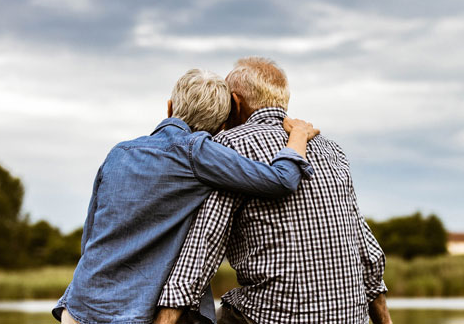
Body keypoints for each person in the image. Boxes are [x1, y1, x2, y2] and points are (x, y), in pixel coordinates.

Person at [52, 68, 321, 324]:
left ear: (170, 108)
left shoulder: (119, 152)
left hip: (78, 305)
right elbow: (282, 180)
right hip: (133, 312)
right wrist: (297, 136)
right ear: (222, 126)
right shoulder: (199, 153)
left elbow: (90, 235)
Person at [155, 57, 393, 324]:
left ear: (235, 103)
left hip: (271, 317)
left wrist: (165, 318)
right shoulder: (332, 150)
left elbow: (202, 247)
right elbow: (368, 253)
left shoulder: (227, 146)